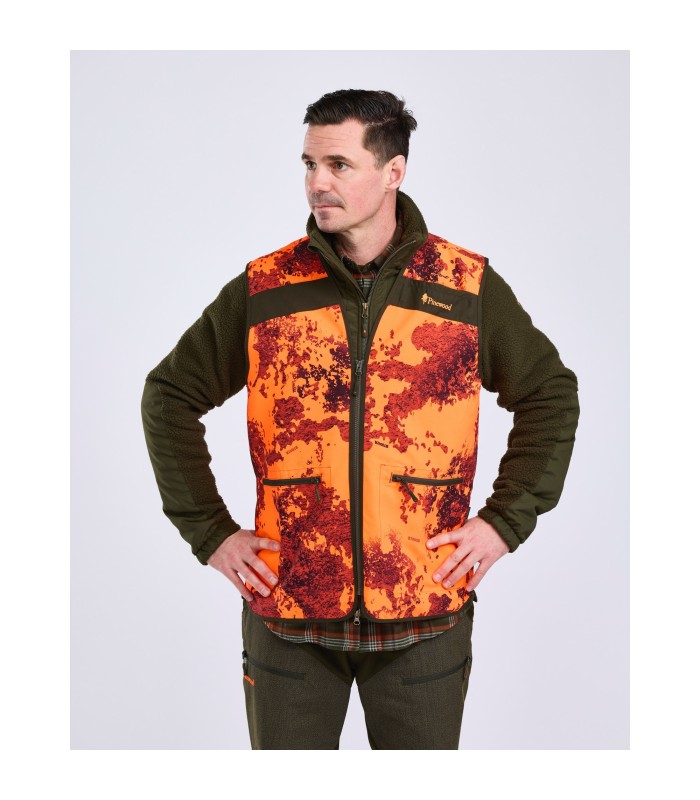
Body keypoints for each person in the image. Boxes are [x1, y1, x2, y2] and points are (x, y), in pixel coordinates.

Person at [141, 89, 580, 750]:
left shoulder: (463, 286)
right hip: (289, 613)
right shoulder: (267, 287)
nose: (317, 182)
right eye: (309, 164)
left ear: (393, 171)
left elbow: (550, 394)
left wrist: (503, 522)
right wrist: (210, 532)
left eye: (339, 165)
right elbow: (169, 395)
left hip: (425, 613)